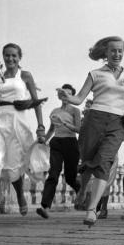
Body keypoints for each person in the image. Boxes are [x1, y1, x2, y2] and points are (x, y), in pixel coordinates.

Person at [57, 36, 124, 227]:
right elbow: (80, 98)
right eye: (113, 50)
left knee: (104, 162)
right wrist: (67, 96)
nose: (117, 54)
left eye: (120, 50)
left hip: (117, 123)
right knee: (89, 162)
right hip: (94, 120)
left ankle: (92, 209)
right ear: (105, 54)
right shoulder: (95, 74)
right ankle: (83, 190)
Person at [0, 43, 46, 227]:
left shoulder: (26, 76)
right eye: (7, 55)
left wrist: (40, 126)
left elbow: (36, 102)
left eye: (14, 55)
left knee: (14, 166)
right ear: (3, 57)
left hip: (18, 123)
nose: (10, 59)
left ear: (19, 57)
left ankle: (20, 195)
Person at [36, 84, 81, 219]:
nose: (65, 96)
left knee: (70, 178)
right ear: (60, 96)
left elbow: (78, 129)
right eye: (63, 93)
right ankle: (45, 207)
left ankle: (86, 196)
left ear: (72, 96)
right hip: (56, 143)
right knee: (53, 174)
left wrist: (65, 123)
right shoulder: (54, 111)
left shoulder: (75, 111)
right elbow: (51, 129)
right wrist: (44, 139)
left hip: (71, 143)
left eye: (69, 94)